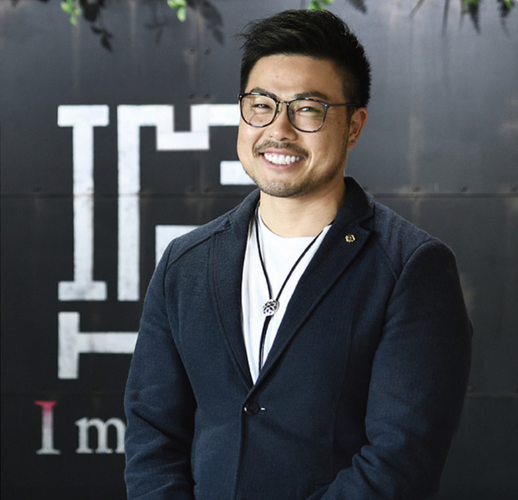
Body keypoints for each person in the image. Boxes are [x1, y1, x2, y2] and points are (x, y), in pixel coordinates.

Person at [124, 9, 471, 500]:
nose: (278, 129)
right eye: (261, 104)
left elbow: (400, 461)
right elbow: (152, 437)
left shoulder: (411, 267)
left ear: (354, 126)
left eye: (307, 108)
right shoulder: (187, 263)